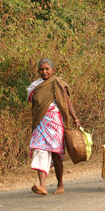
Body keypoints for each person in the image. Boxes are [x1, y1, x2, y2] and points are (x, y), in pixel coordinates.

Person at [27, 58, 81, 195]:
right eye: (41, 69)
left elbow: (67, 102)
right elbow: (35, 106)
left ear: (53, 70)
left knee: (56, 155)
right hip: (40, 123)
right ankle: (42, 185)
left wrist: (75, 119)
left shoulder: (58, 83)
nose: (44, 71)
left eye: (47, 69)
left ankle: (60, 184)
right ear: (38, 70)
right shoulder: (34, 86)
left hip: (55, 123)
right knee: (40, 151)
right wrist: (34, 122)